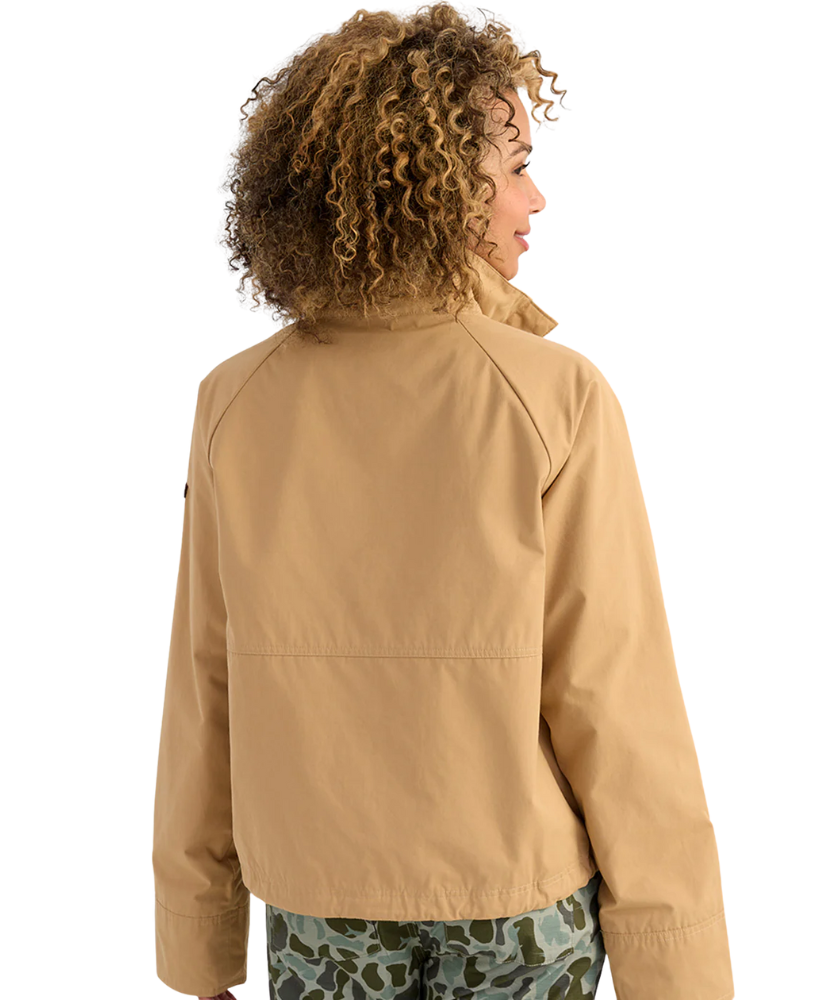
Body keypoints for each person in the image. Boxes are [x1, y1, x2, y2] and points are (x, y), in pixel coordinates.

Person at [153, 3, 733, 999]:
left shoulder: (235, 400)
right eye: (515, 168)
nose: (536, 198)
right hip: (517, 908)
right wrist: (675, 965)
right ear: (439, 187)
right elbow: (615, 698)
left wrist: (197, 936)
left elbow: (203, 691)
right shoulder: (553, 394)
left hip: (315, 910)